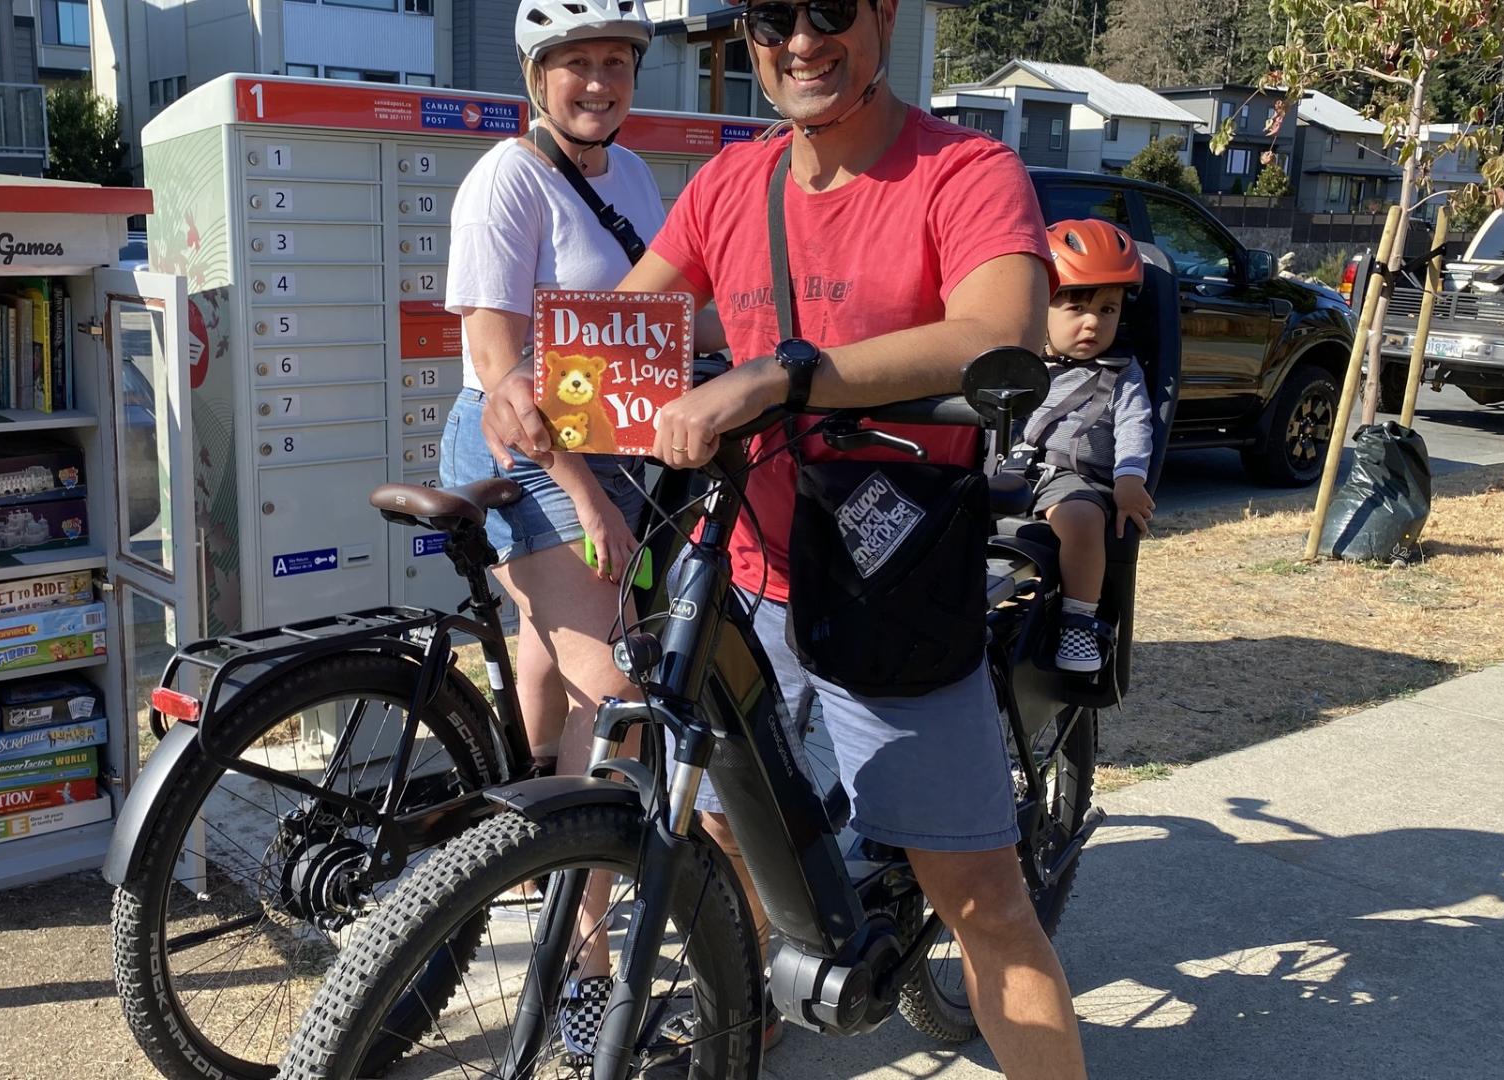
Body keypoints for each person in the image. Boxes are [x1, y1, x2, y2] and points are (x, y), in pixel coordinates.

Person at [477, 0, 1091, 1075]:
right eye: (770, 15)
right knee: (721, 831)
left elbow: (1000, 329)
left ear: (883, 15)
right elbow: (623, 332)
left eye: (829, 9)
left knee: (983, 900)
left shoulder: (965, 170)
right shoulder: (731, 183)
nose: (800, 39)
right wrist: (531, 392)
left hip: (888, 582)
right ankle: (749, 1019)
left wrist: (781, 372)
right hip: (748, 578)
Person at [437, 0, 666, 1057]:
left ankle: (520, 855)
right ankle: (584, 970)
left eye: (616, 61)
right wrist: (589, 499)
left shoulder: (631, 176)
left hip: (605, 446)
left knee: (544, 686)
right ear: (536, 75)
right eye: (577, 63)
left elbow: (649, 325)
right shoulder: (508, 178)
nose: (600, 82)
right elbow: (501, 372)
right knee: (610, 702)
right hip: (523, 455)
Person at [1018, 218, 1156, 673]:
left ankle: (1078, 623)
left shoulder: (1122, 373)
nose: (1094, 322)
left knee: (1080, 521)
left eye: (1109, 310)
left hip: (1073, 481)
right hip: (1009, 471)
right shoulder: (1020, 358)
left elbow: (1136, 427)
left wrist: (1130, 479)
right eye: (1077, 309)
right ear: (1042, 306)